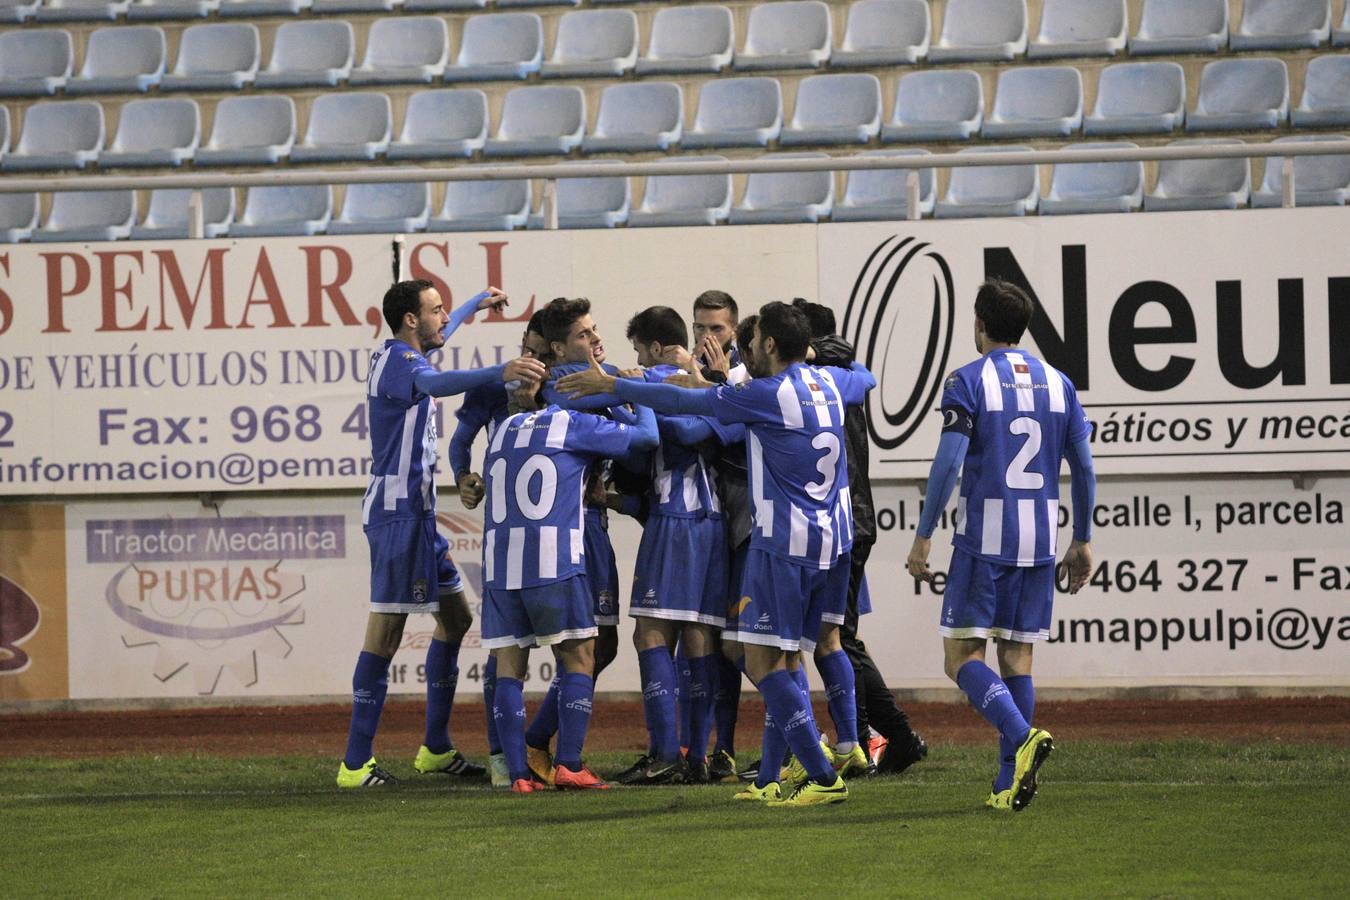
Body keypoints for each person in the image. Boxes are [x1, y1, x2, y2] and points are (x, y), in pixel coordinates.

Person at [559, 301, 874, 807]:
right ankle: (771, 776)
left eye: (752, 341)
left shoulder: (764, 395)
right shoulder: (831, 384)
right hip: (834, 543)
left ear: (770, 345)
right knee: (786, 654)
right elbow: (867, 376)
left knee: (763, 659)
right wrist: (820, 356)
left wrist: (616, 387)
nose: (745, 350)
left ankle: (821, 774)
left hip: (785, 545)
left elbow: (686, 406)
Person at [337, 280, 546, 788]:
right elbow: (434, 386)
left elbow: (441, 341)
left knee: (455, 619)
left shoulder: (407, 355)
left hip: (419, 516)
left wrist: (477, 303)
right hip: (398, 517)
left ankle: (434, 747)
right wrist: (501, 370)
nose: (442, 317)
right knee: (384, 636)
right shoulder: (401, 365)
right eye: (434, 310)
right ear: (411, 320)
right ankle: (353, 763)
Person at [905, 279, 1095, 812]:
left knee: (959, 656)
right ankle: (1008, 782)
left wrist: (923, 536)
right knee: (1017, 658)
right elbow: (1083, 466)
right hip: (1039, 540)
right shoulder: (1060, 383)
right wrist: (1082, 538)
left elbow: (947, 463)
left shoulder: (966, 380)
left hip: (985, 541)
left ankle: (1022, 735)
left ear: (979, 324)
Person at [480, 371, 659, 793]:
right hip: (553, 558)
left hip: (501, 563)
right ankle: (570, 764)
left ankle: (519, 775)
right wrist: (629, 391)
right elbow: (647, 436)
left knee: (509, 668)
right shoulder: (573, 424)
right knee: (581, 657)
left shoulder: (504, 428)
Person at [792, 298, 929, 777]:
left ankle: (884, 736)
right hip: (852, 519)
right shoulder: (845, 375)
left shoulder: (821, 380)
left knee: (837, 637)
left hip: (842, 521)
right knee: (837, 636)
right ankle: (884, 736)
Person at [616, 306, 743, 785]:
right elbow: (725, 428)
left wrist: (636, 396)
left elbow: (673, 434)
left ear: (651, 348)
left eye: (638, 350)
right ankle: (695, 756)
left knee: (650, 633)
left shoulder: (654, 383)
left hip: (677, 518)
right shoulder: (719, 385)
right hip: (711, 524)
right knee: (698, 637)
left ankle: (667, 752)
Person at [514, 297, 628, 786]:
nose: (596, 339)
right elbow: (641, 426)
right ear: (560, 349)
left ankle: (540, 743)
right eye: (585, 334)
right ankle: (550, 752)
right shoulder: (565, 392)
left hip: (594, 526)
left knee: (603, 645)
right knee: (584, 647)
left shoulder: (598, 380)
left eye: (596, 329)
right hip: (571, 529)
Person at [447, 309, 551, 787]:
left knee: (585, 648)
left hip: (561, 534)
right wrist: (463, 477)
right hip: (505, 533)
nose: (530, 360)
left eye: (540, 354)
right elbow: (462, 439)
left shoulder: (571, 387)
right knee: (505, 647)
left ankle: (552, 753)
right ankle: (501, 756)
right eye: (526, 348)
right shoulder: (495, 386)